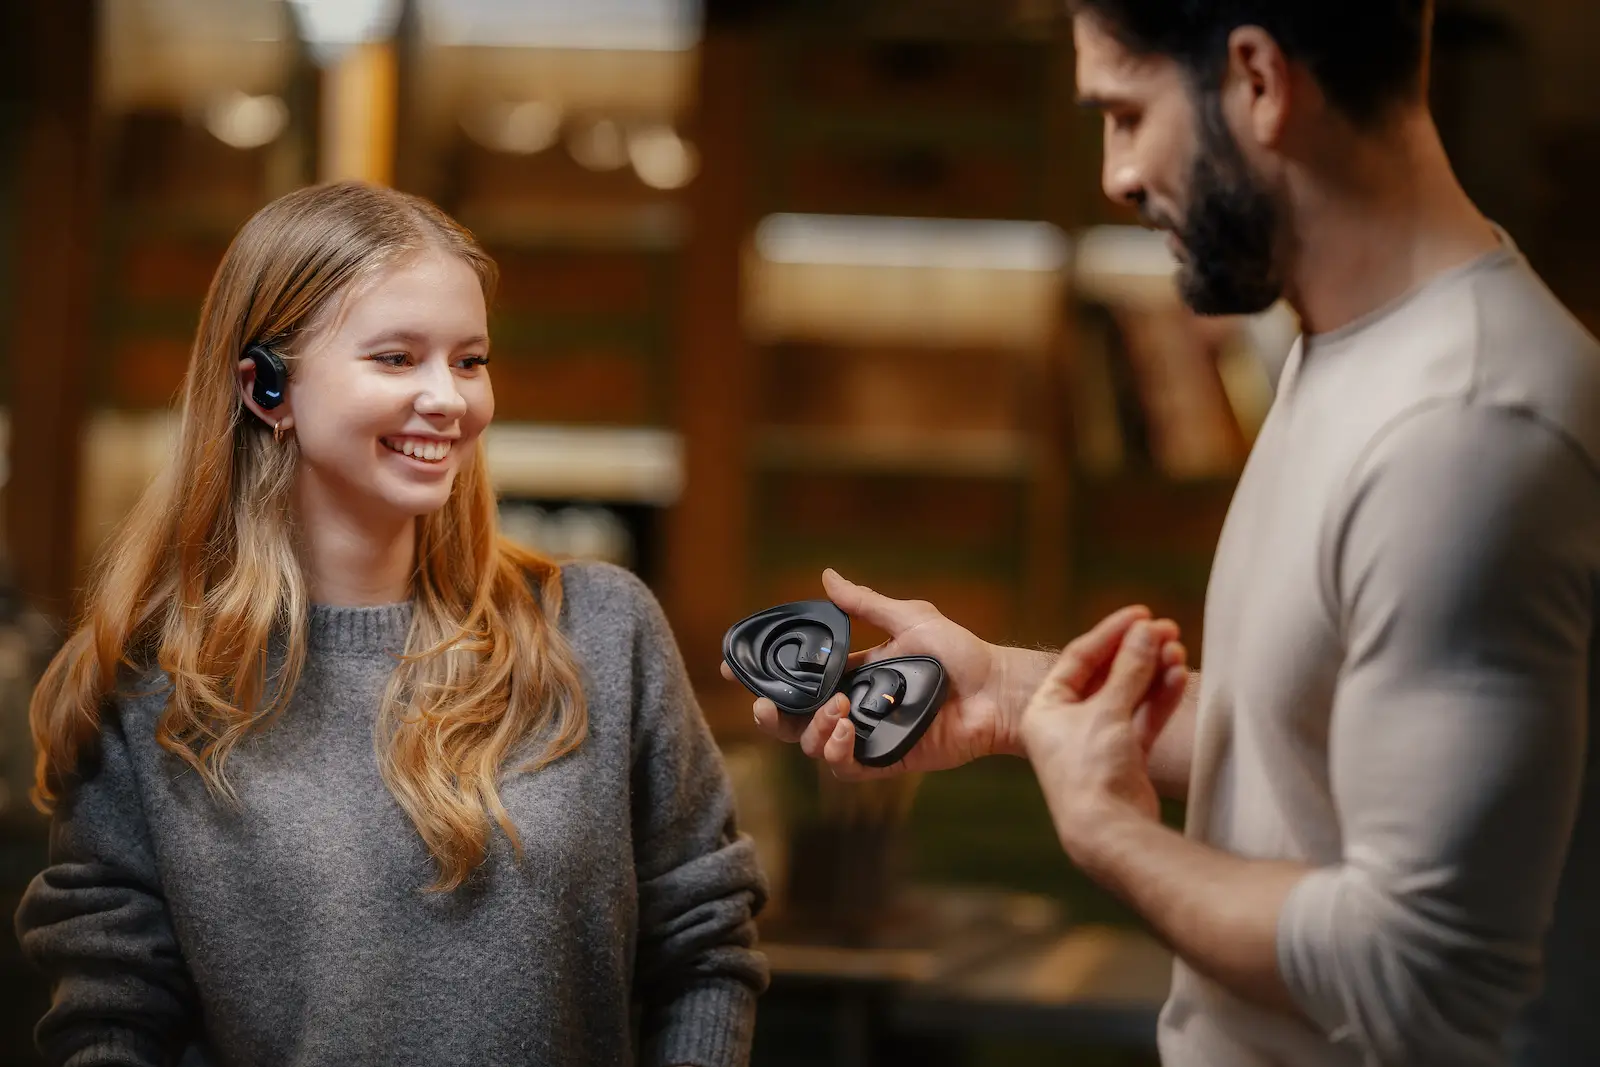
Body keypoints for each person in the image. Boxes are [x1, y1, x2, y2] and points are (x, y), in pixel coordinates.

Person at [733, 3, 1600, 1065]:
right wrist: (1011, 695)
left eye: (1126, 111)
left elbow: (1420, 976)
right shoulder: (1347, 354)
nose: (1116, 173)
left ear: (1256, 80)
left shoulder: (1468, 427)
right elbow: (1308, 746)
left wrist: (1109, 832)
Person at [15, 181, 767, 1067]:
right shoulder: (148, 685)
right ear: (266, 388)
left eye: (471, 360)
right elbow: (110, 1016)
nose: (449, 399)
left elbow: (707, 947)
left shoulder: (602, 630)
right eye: (398, 358)